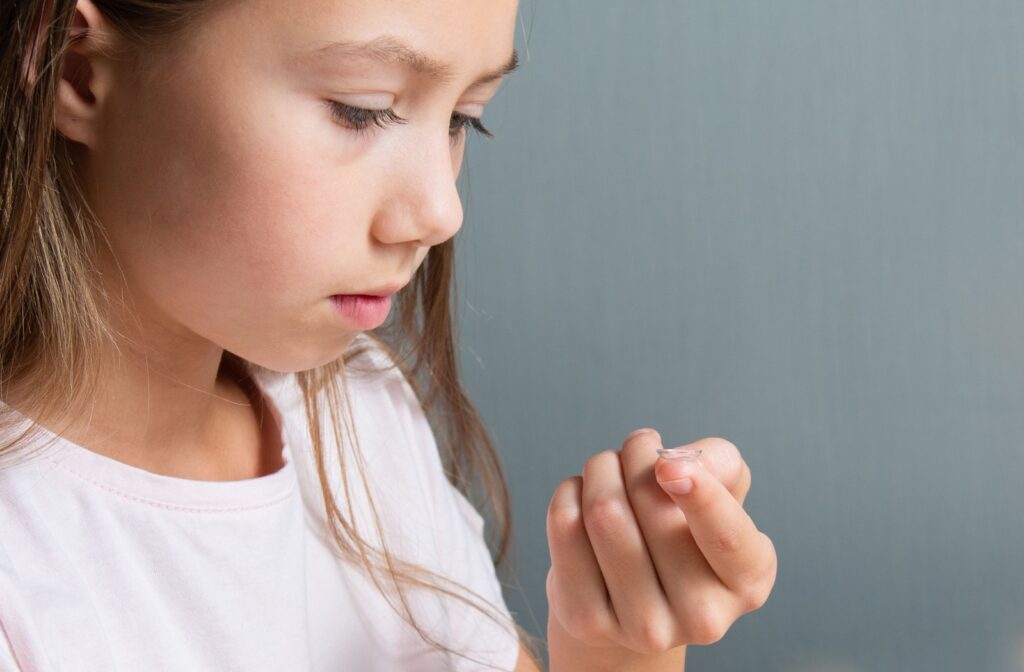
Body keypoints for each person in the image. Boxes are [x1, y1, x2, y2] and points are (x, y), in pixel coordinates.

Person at [0, 0, 778, 670]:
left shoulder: (357, 418)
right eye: (361, 107)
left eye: (464, 118)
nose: (442, 213)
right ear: (79, 70)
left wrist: (619, 645)